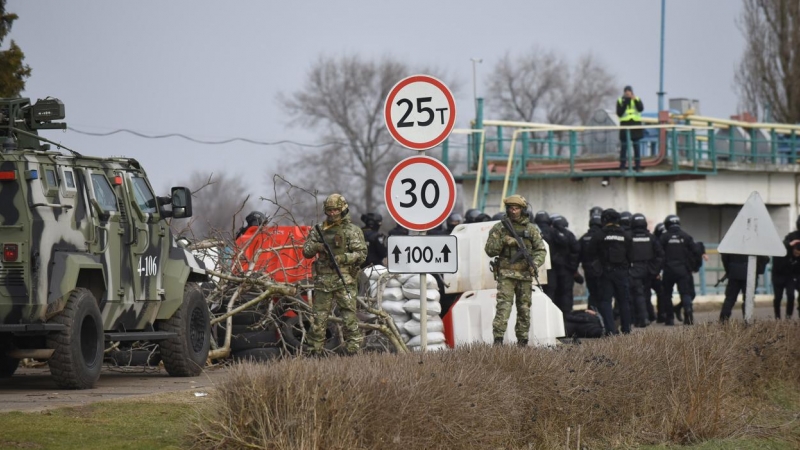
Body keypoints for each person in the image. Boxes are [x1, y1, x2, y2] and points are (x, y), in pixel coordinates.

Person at [302, 194, 367, 355]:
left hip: (344, 279)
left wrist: (343, 258)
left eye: (336, 210)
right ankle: (314, 353)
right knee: (318, 319)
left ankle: (354, 352)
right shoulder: (319, 230)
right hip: (323, 281)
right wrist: (317, 247)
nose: (333, 213)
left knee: (349, 319)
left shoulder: (352, 231)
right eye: (330, 210)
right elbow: (306, 251)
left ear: (343, 209)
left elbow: (361, 254)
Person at [484, 195, 547, 347]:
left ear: (522, 209)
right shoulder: (500, 228)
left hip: (525, 275)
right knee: (503, 308)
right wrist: (503, 241)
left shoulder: (531, 229)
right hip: (506, 274)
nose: (513, 211)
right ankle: (498, 341)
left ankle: (522, 342)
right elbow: (489, 250)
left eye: (517, 208)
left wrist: (535, 264)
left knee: (524, 309)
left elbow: (541, 250)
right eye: (511, 208)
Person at [588, 209, 633, 335]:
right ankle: (626, 329)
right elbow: (631, 255)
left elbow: (590, 252)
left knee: (606, 301)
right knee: (624, 301)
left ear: (604, 220)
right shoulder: (625, 235)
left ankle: (610, 330)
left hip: (605, 273)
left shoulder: (600, 234)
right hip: (622, 273)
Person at [659, 215, 697, 325]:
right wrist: (692, 267)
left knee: (667, 294)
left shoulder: (664, 237)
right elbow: (695, 252)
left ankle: (669, 319)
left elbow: (658, 254)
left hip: (668, 271)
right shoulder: (686, 236)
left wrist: (659, 269)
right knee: (685, 293)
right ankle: (688, 315)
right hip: (683, 270)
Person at [629, 213, 663, 328]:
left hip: (634, 270)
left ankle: (643, 318)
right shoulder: (651, 237)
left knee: (637, 294)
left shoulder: (629, 236)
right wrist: (654, 270)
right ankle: (648, 316)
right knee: (646, 293)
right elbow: (660, 255)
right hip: (648, 270)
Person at [719, 253, 769, 322]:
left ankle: (722, 322)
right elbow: (764, 258)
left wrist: (729, 269)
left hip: (734, 273)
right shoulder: (755, 243)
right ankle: (747, 322)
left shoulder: (733, 243)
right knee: (748, 300)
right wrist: (757, 269)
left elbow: (724, 256)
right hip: (750, 274)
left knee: (729, 299)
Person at [550, 214, 580, 314]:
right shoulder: (569, 234)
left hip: (552, 270)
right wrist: (572, 267)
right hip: (567, 271)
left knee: (554, 293)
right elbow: (576, 250)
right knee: (566, 293)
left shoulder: (549, 235)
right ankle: (567, 317)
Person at [616, 85, 644, 171]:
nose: (628, 93)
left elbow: (640, 109)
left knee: (636, 146)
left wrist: (635, 100)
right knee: (624, 147)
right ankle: (622, 165)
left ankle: (638, 166)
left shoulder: (637, 99)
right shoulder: (620, 100)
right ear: (624, 93)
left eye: (629, 92)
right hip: (625, 125)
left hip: (635, 126)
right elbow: (619, 113)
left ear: (632, 92)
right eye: (626, 92)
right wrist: (625, 103)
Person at [579, 212, 603, 309]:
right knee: (602, 295)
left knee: (592, 293)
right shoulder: (603, 236)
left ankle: (592, 315)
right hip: (601, 270)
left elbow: (578, 254)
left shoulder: (583, 238)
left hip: (588, 270)